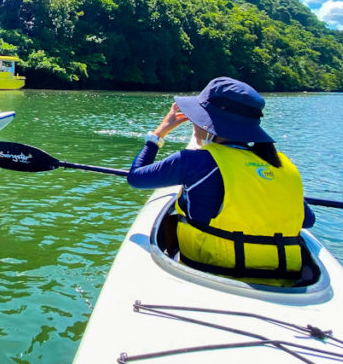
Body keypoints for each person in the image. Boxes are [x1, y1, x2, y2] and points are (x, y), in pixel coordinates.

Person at [128, 77, 315, 284]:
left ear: (209, 124)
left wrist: (159, 133)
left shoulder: (193, 161)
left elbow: (136, 178)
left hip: (206, 272)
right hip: (283, 281)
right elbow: (307, 220)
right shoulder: (283, 165)